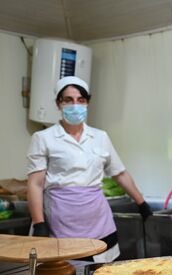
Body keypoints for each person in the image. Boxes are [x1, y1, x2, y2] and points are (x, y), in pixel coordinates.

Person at [26, 76, 153, 262]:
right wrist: (39, 224)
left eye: (81, 100)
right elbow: (35, 184)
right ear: (58, 104)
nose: (75, 105)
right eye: (68, 100)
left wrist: (141, 203)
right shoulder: (43, 138)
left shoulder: (100, 137)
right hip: (60, 223)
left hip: (99, 221)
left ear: (87, 103)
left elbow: (120, 173)